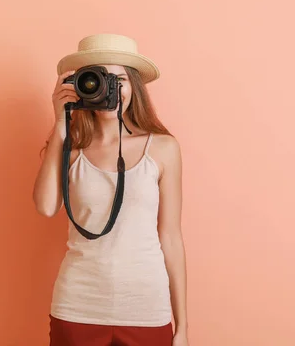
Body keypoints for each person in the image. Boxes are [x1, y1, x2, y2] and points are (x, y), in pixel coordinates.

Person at [32, 33, 189, 346]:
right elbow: (46, 206)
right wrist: (61, 127)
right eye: (99, 79)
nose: (110, 89)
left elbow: (170, 236)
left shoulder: (162, 148)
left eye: (118, 79)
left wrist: (182, 326)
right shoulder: (71, 149)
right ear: (82, 85)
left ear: (134, 87)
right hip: (78, 305)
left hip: (146, 306)